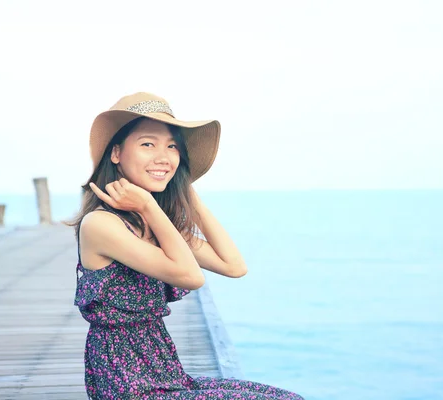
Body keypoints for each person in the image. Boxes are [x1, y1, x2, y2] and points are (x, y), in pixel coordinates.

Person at [68, 92, 304, 399]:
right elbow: (192, 277)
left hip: (166, 373)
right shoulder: (101, 224)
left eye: (172, 147)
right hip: (127, 386)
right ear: (116, 153)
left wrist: (187, 191)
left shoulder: (156, 225)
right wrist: (149, 207)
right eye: (147, 144)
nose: (163, 156)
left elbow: (234, 266)